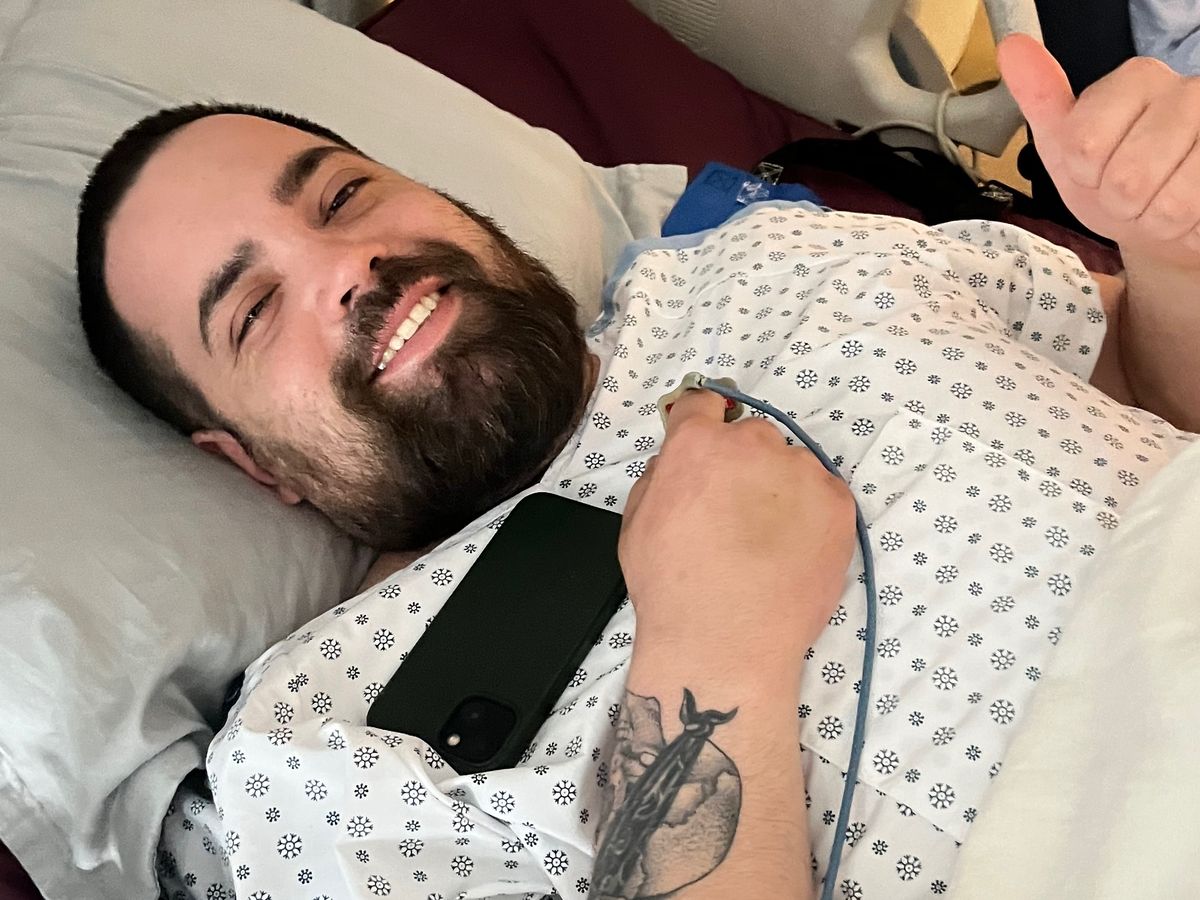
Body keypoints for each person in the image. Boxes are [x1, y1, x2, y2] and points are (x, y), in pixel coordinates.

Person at [76, 34, 1199, 900]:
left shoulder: (777, 251)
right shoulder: (316, 754)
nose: (348, 265)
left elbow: (1148, 386)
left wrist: (1169, 249)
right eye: (254, 310)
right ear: (254, 465)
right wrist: (718, 648)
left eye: (341, 197)